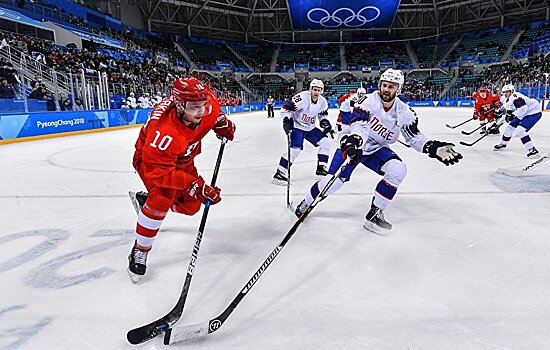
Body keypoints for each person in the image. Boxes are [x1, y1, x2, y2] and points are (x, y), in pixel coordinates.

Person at [294, 69, 462, 233]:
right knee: (332, 183)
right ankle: (307, 202)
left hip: (376, 149)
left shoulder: (405, 112)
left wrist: (434, 147)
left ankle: (375, 213)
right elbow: (359, 126)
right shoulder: (368, 102)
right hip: (353, 144)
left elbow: (414, 138)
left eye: (391, 86)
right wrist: (355, 143)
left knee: (398, 170)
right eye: (384, 85)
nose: (386, 89)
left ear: (398, 89)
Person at [127, 77, 236, 283]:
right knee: (163, 196)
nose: (202, 111)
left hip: (183, 161)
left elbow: (213, 111)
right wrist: (195, 185)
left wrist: (221, 122)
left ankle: (144, 202)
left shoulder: (205, 103)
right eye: (195, 107)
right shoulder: (163, 133)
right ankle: (140, 249)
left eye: (203, 105)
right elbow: (159, 173)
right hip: (153, 162)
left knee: (191, 206)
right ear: (179, 104)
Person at [272, 79, 333, 185]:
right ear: (310, 89)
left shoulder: (323, 102)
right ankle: (280, 173)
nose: (316, 92)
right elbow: (285, 109)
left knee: (325, 142)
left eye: (318, 90)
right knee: (295, 150)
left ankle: (321, 168)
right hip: (297, 126)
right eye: (314, 89)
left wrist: (324, 121)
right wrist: (287, 120)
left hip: (310, 128)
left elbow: (322, 114)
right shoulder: (302, 98)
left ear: (321, 91)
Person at [492, 84, 542, 158]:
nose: (505, 94)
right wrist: (498, 121)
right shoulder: (506, 100)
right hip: (523, 113)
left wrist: (512, 115)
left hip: (533, 112)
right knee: (509, 128)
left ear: (511, 91)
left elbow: (523, 109)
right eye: (504, 92)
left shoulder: (516, 96)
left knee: (520, 131)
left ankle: (533, 150)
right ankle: (503, 144)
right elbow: (508, 113)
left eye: (507, 92)